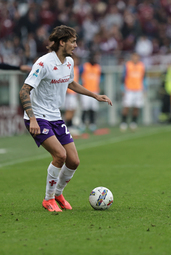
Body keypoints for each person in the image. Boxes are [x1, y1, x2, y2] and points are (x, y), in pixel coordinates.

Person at [19, 25, 112, 212]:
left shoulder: (69, 62)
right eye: (73, 41)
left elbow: (70, 83)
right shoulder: (43, 63)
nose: (76, 45)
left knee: (73, 161)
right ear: (62, 42)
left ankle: (59, 194)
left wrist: (95, 95)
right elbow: (24, 91)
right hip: (38, 117)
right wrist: (33, 119)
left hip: (55, 116)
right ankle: (48, 199)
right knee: (60, 155)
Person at [120, 52, 146, 131]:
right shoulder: (127, 65)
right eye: (134, 57)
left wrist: (145, 89)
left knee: (137, 107)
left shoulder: (141, 66)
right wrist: (122, 88)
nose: (135, 58)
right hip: (129, 89)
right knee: (126, 106)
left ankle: (133, 123)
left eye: (137, 57)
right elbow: (123, 77)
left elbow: (144, 78)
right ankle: (123, 122)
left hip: (138, 89)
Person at [79, 52, 102, 133]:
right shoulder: (85, 66)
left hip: (95, 90)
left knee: (93, 108)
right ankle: (82, 124)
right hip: (86, 91)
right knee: (85, 108)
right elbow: (79, 75)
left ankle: (92, 124)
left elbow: (100, 77)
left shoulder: (98, 67)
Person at [63, 54, 80, 134]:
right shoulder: (68, 68)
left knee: (73, 110)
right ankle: (67, 126)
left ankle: (70, 126)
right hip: (69, 93)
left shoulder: (76, 69)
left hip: (74, 93)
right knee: (69, 110)